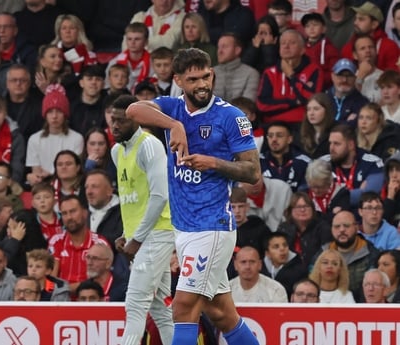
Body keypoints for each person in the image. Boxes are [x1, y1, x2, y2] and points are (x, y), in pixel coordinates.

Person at [125, 48, 261, 345]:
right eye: (193, 79)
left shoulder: (230, 117)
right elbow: (132, 110)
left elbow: (253, 173)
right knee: (222, 313)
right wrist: (174, 125)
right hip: (184, 229)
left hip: (212, 226)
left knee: (183, 306)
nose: (202, 84)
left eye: (206, 76)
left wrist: (213, 163)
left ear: (212, 73)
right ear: (178, 81)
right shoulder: (172, 109)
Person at [109, 94, 174, 345]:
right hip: (144, 236)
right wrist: (128, 234)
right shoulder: (117, 151)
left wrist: (136, 238)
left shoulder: (150, 145)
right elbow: (132, 198)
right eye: (112, 120)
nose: (115, 126)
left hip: (158, 233)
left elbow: (160, 196)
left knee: (135, 304)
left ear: (135, 119)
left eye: (121, 121)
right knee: (161, 309)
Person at [277, 192, 333, 268]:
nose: (303, 210)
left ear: (313, 209)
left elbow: (326, 254)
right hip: (289, 270)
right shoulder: (284, 228)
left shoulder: (323, 228)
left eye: (306, 206)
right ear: (291, 210)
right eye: (298, 207)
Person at [301, 12, 340, 89]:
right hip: (302, 85)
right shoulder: (301, 48)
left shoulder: (330, 49)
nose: (311, 28)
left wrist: (316, 81)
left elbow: (335, 72)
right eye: (307, 26)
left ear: (324, 29)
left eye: (315, 25)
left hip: (324, 88)